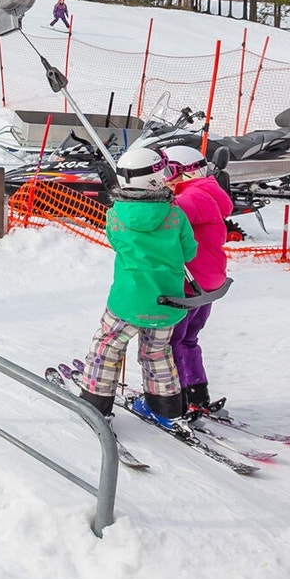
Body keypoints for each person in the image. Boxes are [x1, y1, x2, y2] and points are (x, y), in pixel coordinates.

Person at [75, 148, 197, 424]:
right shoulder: (175, 216)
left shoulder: (116, 215)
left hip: (126, 301)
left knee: (107, 346)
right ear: (154, 179)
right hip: (167, 300)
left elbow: (116, 243)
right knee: (156, 352)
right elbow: (189, 252)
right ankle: (167, 407)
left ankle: (95, 403)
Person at [161, 145, 234, 417]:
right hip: (207, 280)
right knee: (189, 339)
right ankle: (197, 392)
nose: (164, 177)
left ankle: (175, 399)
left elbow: (165, 219)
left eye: (168, 171)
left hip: (190, 283)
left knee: (174, 342)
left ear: (185, 171)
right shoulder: (209, 191)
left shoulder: (193, 196)